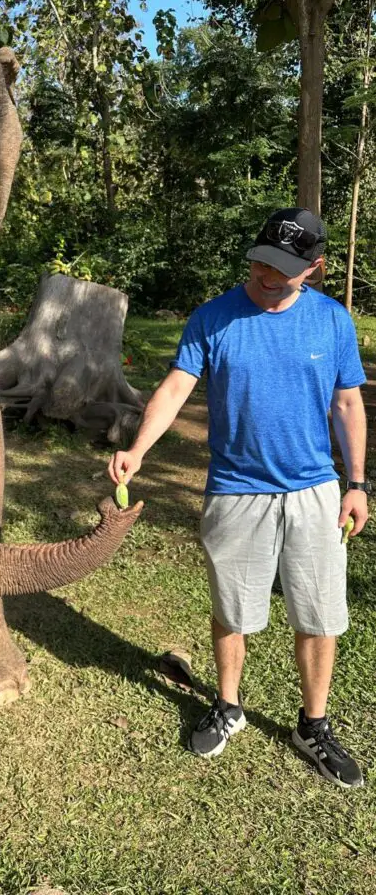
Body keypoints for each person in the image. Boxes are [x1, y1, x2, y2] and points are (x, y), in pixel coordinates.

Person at [109, 208, 370, 789]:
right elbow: (177, 386)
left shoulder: (332, 322)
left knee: (318, 613)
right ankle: (228, 706)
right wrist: (139, 449)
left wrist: (356, 484)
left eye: (282, 270)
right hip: (235, 491)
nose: (266, 277)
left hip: (314, 491)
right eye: (260, 263)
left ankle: (313, 725)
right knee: (233, 610)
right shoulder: (214, 317)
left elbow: (348, 405)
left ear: (315, 268)